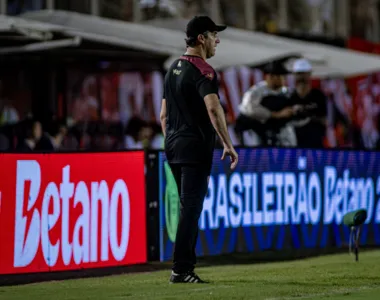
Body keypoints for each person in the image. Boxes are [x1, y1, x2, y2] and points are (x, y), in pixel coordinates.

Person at [160, 15, 238, 284]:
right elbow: (213, 107)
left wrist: (172, 139)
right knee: (191, 209)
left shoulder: (172, 68)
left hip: (173, 146)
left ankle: (184, 267)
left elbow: (163, 115)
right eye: (214, 35)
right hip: (194, 148)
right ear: (201, 38)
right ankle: (181, 269)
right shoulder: (203, 70)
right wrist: (227, 143)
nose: (217, 40)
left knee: (187, 208)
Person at [236, 61, 297, 147]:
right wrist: (276, 114)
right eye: (280, 76)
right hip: (257, 132)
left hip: (280, 133)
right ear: (270, 76)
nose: (283, 79)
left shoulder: (288, 92)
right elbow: (250, 109)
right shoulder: (256, 91)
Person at [289, 58, 327, 148]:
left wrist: (305, 112)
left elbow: (324, 120)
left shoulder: (318, 96)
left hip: (315, 145)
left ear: (309, 74)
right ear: (294, 75)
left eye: (304, 73)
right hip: (294, 146)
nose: (302, 77)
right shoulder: (289, 97)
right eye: (299, 73)